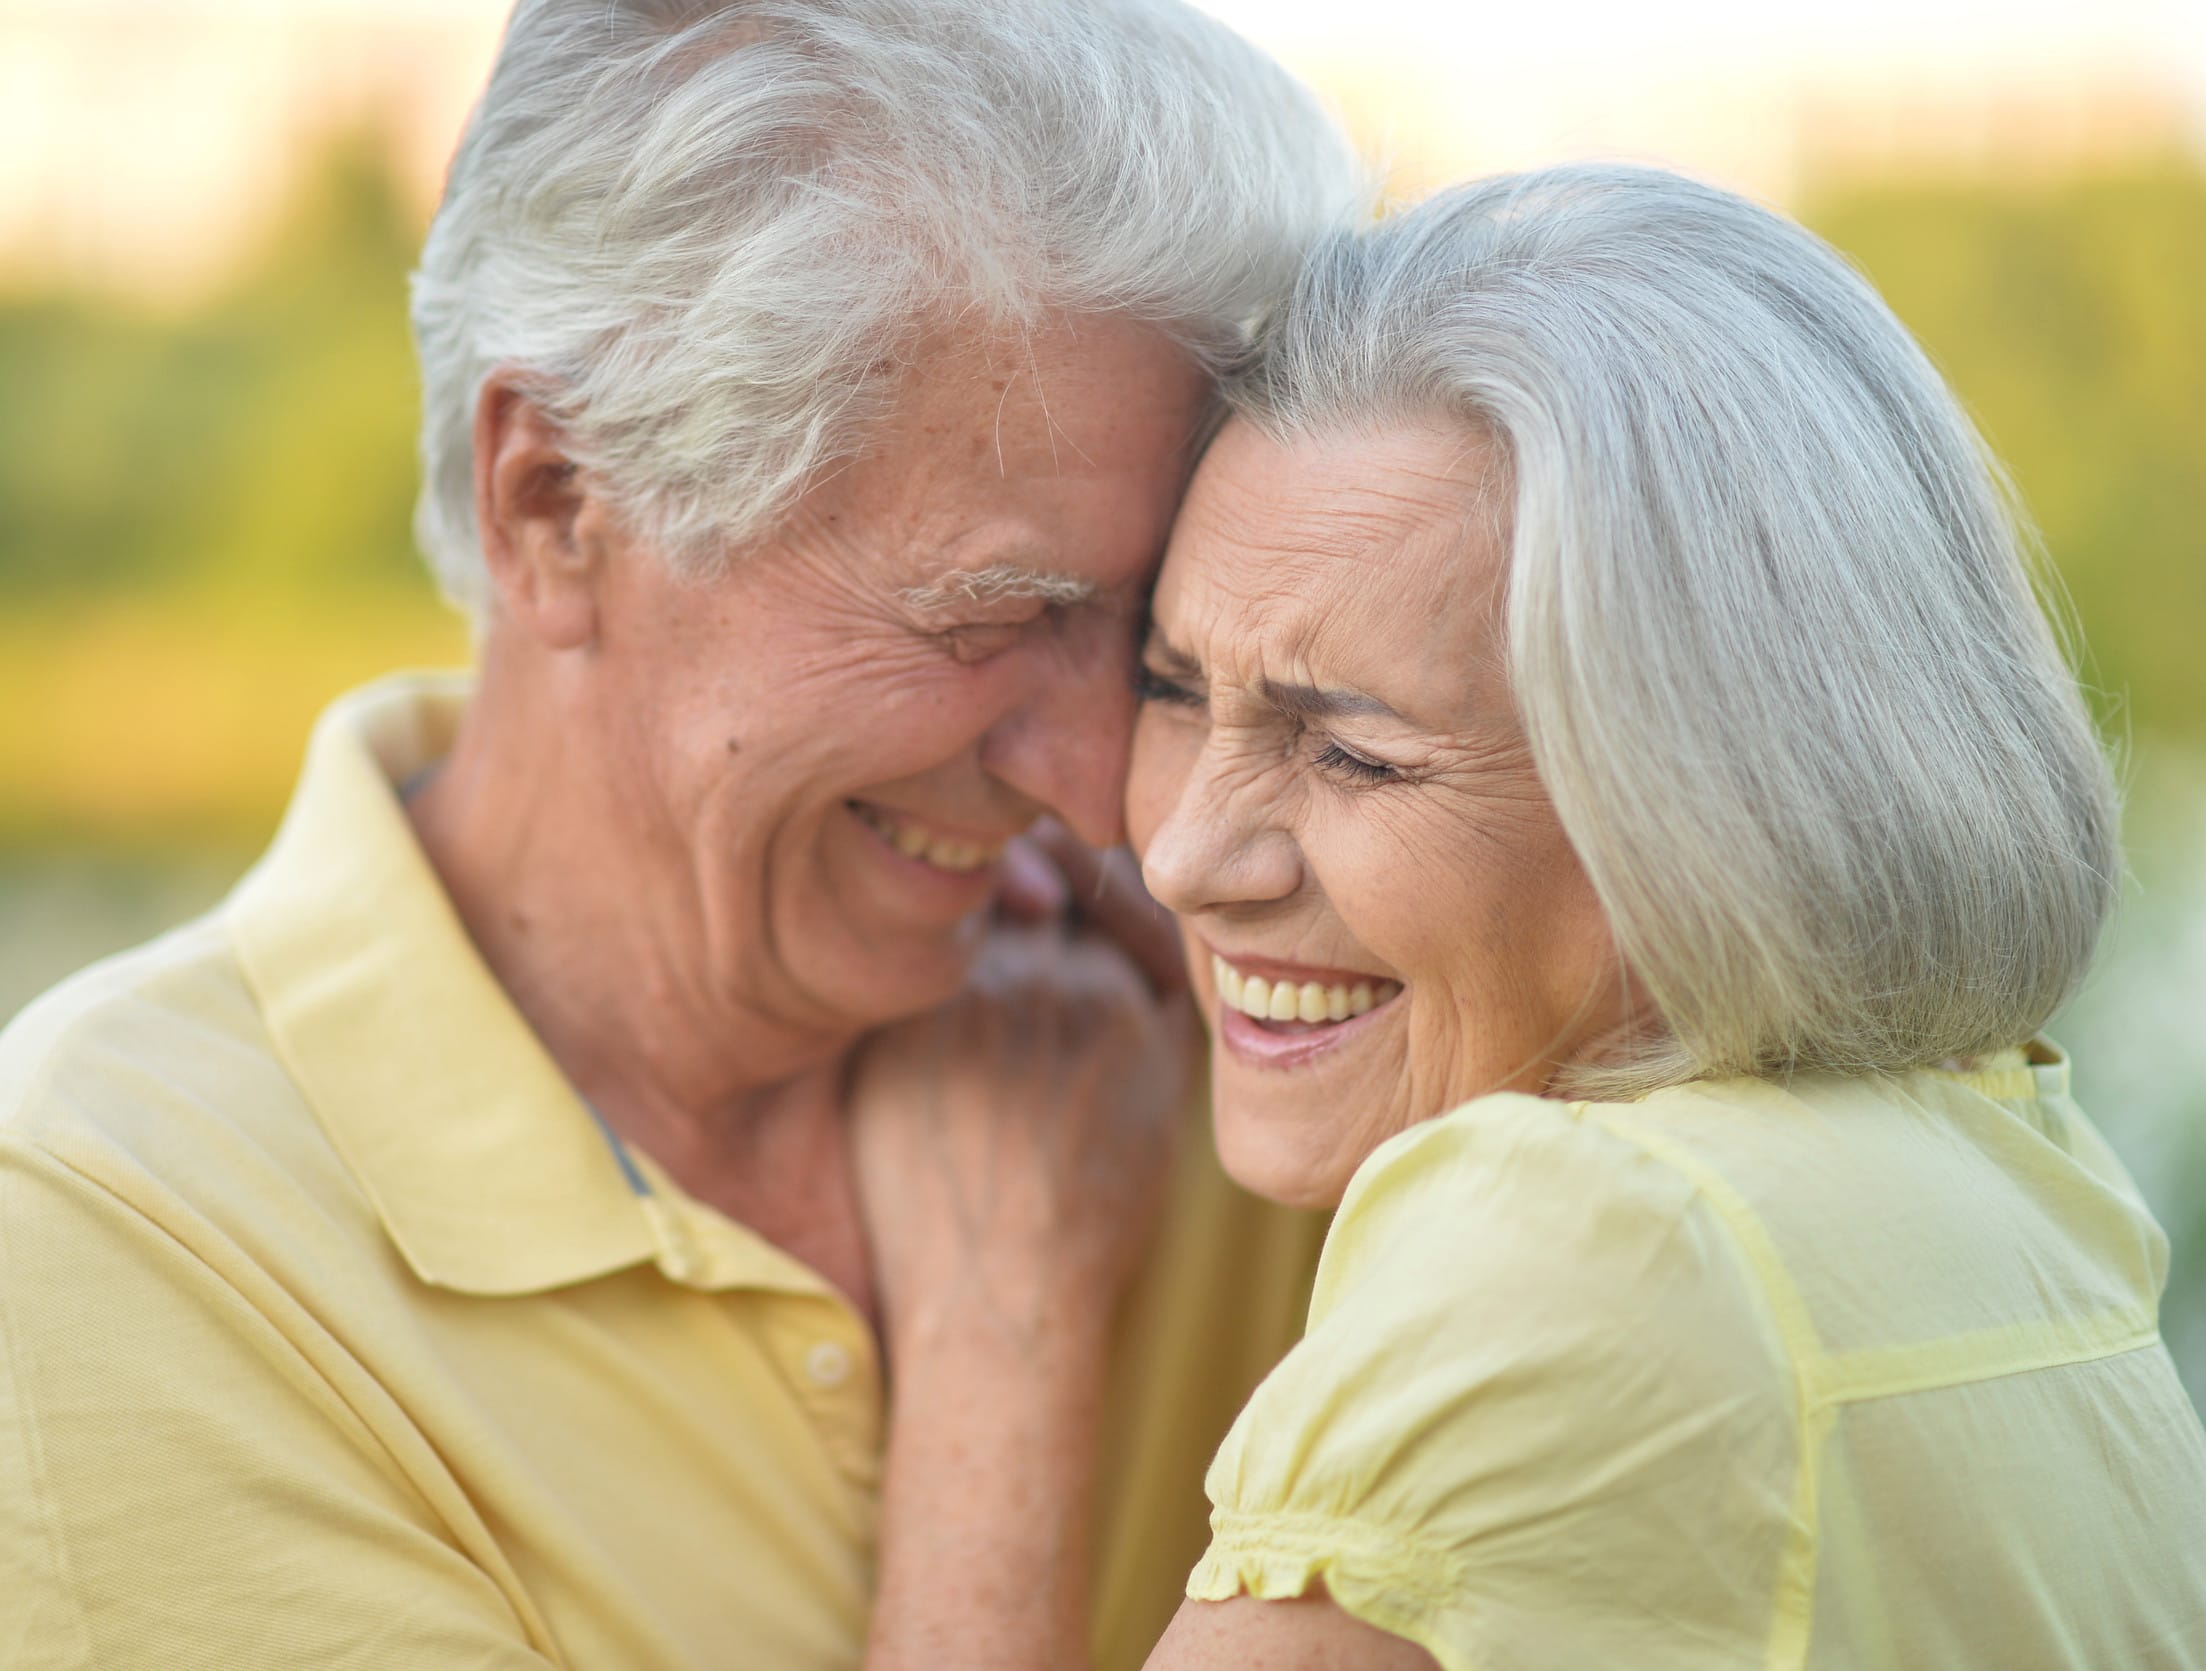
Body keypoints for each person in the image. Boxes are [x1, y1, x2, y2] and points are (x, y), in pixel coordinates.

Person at [0, 3, 1360, 1666]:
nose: (1105, 803)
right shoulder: (102, 1239)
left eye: (1146, 635)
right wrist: (1004, 1353)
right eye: (989, 617)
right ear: (553, 502)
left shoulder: (1297, 1035)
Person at [854, 164, 2206, 1669]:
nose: (1180, 856)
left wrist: (992, 1338)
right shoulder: (2012, 1164)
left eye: (1351, 749)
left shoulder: (1582, 1250)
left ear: (1724, 796)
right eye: (1171, 690)